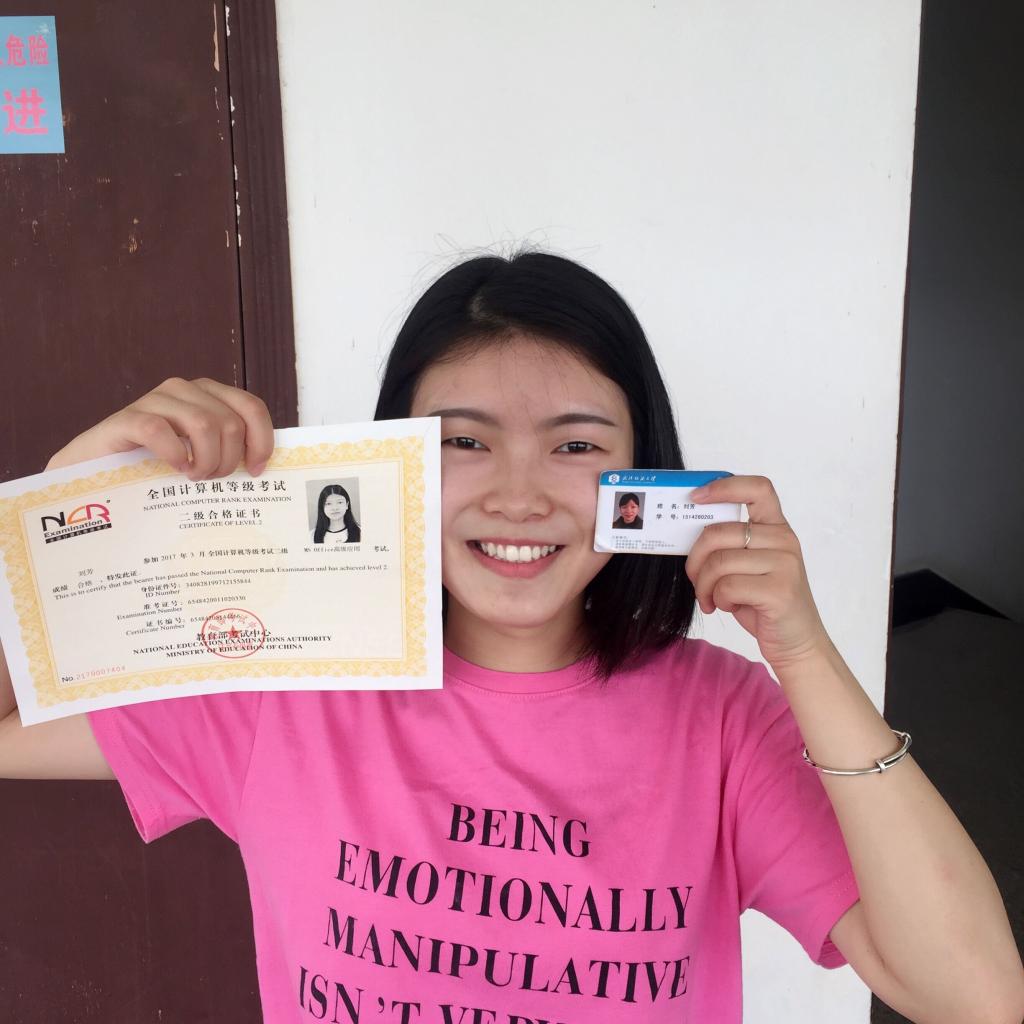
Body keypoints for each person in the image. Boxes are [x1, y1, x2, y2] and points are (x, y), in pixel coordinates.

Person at [1, 251, 1022, 1024]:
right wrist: (64, 508)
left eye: (575, 444)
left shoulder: (723, 719)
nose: (521, 496)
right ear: (391, 459)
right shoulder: (283, 680)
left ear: (641, 473)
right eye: (463, 441)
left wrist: (802, 653)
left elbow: (973, 996)